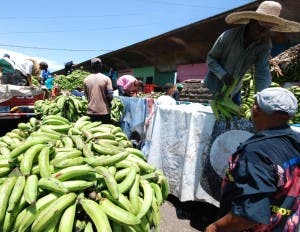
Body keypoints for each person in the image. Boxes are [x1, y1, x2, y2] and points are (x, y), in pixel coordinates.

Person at [205, 87, 300, 231]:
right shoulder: (295, 141)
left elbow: (248, 214)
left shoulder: (256, 152)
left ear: (255, 110)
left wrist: (215, 228)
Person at [203, 1, 300, 105]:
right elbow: (211, 59)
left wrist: (261, 96)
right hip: (212, 88)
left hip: (234, 91)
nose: (263, 33)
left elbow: (262, 70)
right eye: (261, 27)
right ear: (251, 21)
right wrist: (222, 75)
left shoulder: (265, 44)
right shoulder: (228, 36)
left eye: (268, 29)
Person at [83, 58, 113, 123]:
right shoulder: (106, 79)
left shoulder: (86, 80)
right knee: (105, 131)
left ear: (91, 66)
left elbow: (86, 96)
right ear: (101, 66)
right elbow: (110, 96)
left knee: (92, 132)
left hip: (90, 112)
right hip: (104, 112)